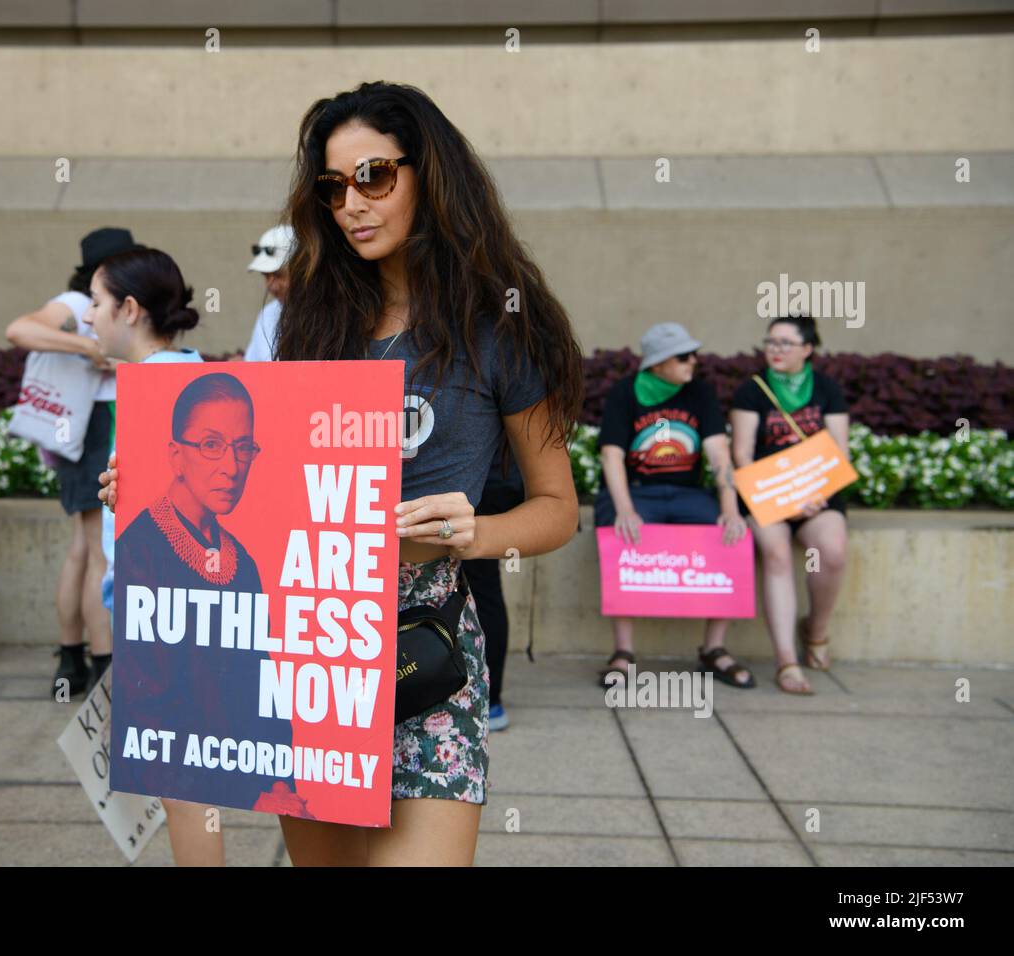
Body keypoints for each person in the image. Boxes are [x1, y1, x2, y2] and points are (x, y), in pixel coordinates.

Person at [226, 80, 583, 866]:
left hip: (427, 647)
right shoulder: (310, 325)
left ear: (430, 175)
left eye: (374, 177)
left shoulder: (502, 328)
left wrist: (478, 531)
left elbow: (558, 507)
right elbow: (264, 485)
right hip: (309, 643)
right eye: (333, 186)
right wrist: (150, 485)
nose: (351, 202)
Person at [89, 247, 266, 867]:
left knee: (185, 788)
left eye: (96, 302)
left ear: (129, 309)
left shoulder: (161, 390)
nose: (89, 317)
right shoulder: (192, 374)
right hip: (180, 607)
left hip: (166, 615)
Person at [6, 227, 135, 697]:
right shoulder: (80, 303)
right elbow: (18, 329)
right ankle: (104, 667)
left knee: (82, 549)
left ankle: (70, 658)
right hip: (96, 426)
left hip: (84, 429)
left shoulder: (96, 300)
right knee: (99, 550)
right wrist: (91, 348)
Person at [595, 322, 753, 690]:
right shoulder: (626, 391)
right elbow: (611, 454)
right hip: (638, 492)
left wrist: (731, 508)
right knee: (623, 536)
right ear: (658, 363)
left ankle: (714, 649)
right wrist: (624, 508)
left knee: (730, 534)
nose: (692, 361)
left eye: (693, 354)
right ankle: (623, 652)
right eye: (684, 356)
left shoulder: (699, 391)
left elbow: (718, 453)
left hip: (688, 494)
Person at [730, 315, 850, 695]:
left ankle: (814, 631)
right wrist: (783, 498)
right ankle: (787, 662)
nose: (775, 350)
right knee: (776, 553)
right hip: (767, 495)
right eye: (770, 342)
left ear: (807, 349)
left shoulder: (826, 388)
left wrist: (815, 496)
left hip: (819, 494)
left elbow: (839, 450)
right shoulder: (753, 390)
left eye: (785, 343)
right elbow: (742, 454)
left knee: (830, 551)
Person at [460, 447, 525, 732]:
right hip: (501, 478)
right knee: (485, 589)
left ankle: (489, 699)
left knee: (480, 589)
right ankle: (491, 699)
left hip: (476, 481)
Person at [242, 224, 293, 362]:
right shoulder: (267, 315)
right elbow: (252, 367)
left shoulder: (329, 314)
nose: (270, 285)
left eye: (278, 275)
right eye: (265, 275)